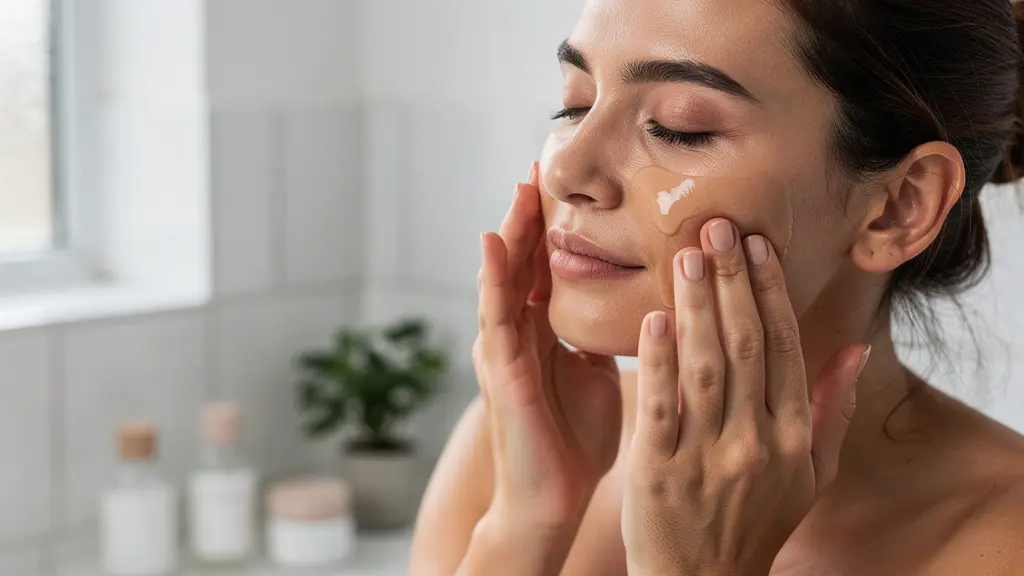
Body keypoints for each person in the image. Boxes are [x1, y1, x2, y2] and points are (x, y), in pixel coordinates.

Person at [410, 0, 1024, 574]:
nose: (568, 171)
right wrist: (525, 529)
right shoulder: (522, 448)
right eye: (575, 104)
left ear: (899, 206)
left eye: (679, 128)